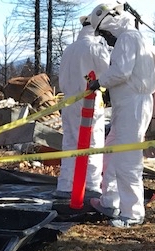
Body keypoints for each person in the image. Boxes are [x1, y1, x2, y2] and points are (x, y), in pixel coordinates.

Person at [87, 2, 155, 228]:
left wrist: (101, 82)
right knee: (113, 152)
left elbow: (121, 72)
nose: (107, 40)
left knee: (127, 159)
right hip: (126, 104)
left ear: (111, 23)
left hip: (132, 106)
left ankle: (133, 213)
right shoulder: (132, 38)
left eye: (105, 34)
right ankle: (111, 201)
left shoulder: (128, 38)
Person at [54, 14, 110, 200]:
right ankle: (92, 185)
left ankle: (65, 186)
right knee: (93, 142)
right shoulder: (96, 48)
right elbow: (108, 73)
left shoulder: (70, 49)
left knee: (70, 141)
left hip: (69, 101)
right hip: (90, 100)